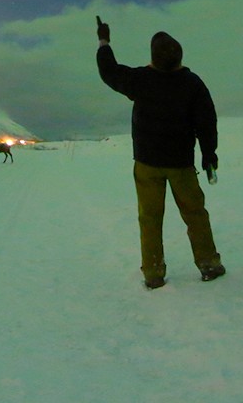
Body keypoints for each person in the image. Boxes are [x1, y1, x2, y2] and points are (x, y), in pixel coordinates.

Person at [95, 15, 225, 290]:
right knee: (195, 214)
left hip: (147, 163)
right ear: (180, 57)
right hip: (181, 164)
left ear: (153, 57)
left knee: (150, 219)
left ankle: (153, 273)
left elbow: (109, 71)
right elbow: (206, 122)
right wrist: (209, 153)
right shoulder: (192, 83)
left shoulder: (141, 79)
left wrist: (104, 41)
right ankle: (208, 263)